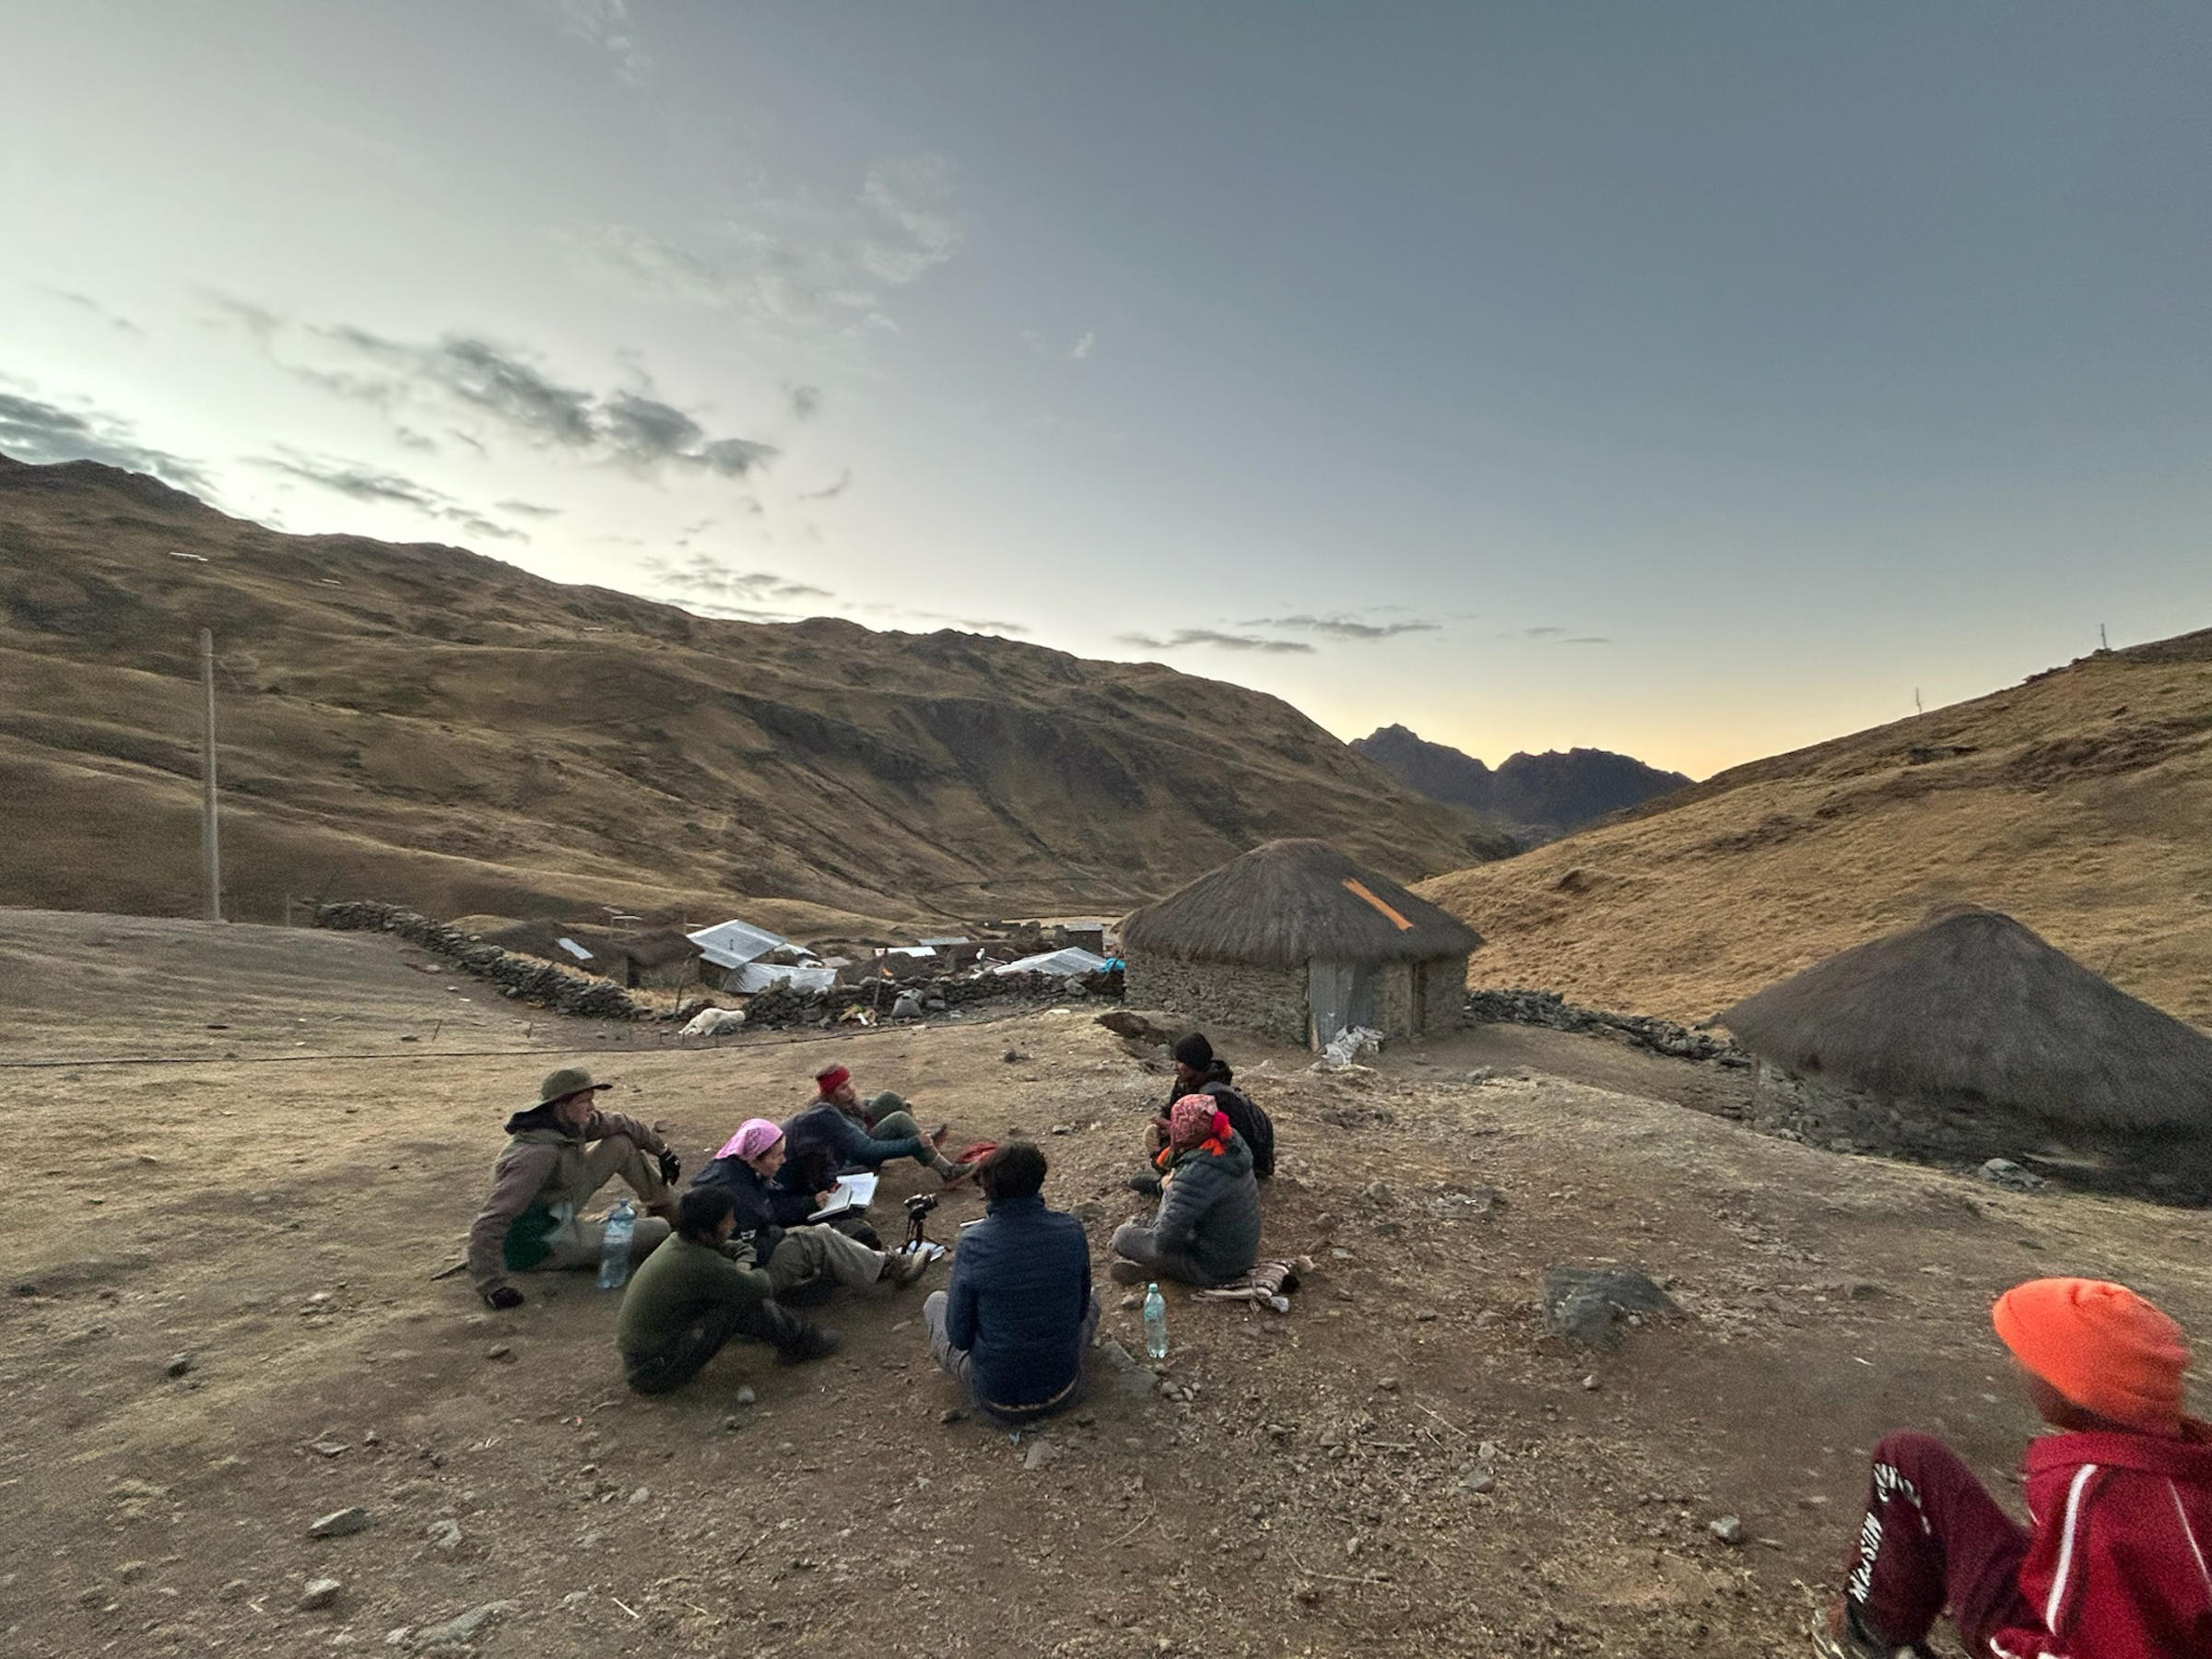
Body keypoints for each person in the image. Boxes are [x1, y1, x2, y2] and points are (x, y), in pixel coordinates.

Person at [1814, 1277, 2212, 1659]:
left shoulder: (2093, 1496)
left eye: (2027, 1357)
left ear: (2072, 1389)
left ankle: (1865, 1639)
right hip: (2110, 1618)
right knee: (1916, 1458)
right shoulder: (2182, 1464)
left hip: (2054, 1638)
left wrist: (2007, 1644)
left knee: (1903, 1461)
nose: (2014, 1365)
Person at [468, 1066, 680, 1310]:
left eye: (592, 1100)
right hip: (540, 1241)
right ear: (560, 1105)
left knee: (620, 1144)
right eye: (584, 1101)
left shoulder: (567, 1124)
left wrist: (662, 1150)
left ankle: (670, 1207)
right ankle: (665, 1223)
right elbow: (491, 1219)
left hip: (557, 1205)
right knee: (660, 1231)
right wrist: (492, 1286)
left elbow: (621, 1123)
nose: (591, 1108)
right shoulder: (537, 1154)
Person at [924, 1142, 1098, 1423]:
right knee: (1093, 1297)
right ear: (1039, 1179)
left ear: (989, 1189)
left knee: (935, 1302)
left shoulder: (972, 1244)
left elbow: (958, 1337)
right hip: (1064, 1387)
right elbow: (1079, 1313)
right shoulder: (1071, 1230)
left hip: (997, 1397)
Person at [617, 1187, 841, 1392]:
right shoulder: (700, 1262)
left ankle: (796, 1339)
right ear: (705, 1233)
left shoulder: (680, 1241)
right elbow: (761, 1285)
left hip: (645, 1360)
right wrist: (744, 1273)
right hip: (654, 1371)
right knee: (740, 1304)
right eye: (727, 1221)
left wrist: (741, 1267)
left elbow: (738, 1248)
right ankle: (804, 1342)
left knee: (733, 1293)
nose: (733, 1224)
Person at [700, 1117, 935, 1303]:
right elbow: (750, 1249)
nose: (782, 1161)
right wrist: (790, 1231)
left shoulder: (734, 1168)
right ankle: (893, 1267)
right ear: (755, 1157)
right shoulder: (737, 1194)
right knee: (817, 1236)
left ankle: (877, 1264)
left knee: (820, 1234)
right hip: (746, 1276)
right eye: (777, 1156)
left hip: (742, 1258)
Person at [1111, 1094, 1261, 1288]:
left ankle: (1159, 1271)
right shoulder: (1230, 1144)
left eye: (1176, 1125)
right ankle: (1162, 1189)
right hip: (1238, 1255)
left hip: (1213, 1269)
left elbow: (1164, 1241)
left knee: (1123, 1237)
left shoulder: (1198, 1173)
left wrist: (1171, 1189)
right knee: (1177, 1196)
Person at [780, 1065, 972, 1195]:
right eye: (843, 1088)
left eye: (849, 1083)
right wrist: (912, 1143)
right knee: (899, 1120)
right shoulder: (830, 1116)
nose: (851, 1090)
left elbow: (864, 1106)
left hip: (861, 1135)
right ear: (831, 1094)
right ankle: (946, 1171)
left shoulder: (842, 1103)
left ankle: (925, 1147)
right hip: (853, 1157)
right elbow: (865, 1148)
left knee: (891, 1099)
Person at [1133, 1033, 1273, 1192]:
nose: (1174, 1067)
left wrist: (1178, 1142)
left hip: (1236, 1160)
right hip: (1203, 1143)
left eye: (1180, 1062)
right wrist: (1167, 1127)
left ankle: (1170, 1182)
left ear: (1194, 1063)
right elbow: (1171, 1110)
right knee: (1152, 1133)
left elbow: (1228, 1141)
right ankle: (1169, 1170)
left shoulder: (1220, 1098)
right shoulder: (1185, 1083)